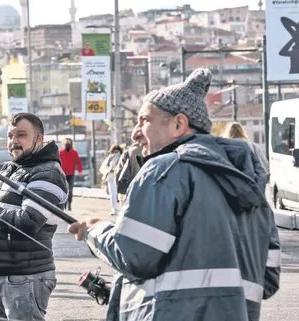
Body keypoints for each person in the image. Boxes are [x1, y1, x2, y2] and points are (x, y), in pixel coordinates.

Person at [68, 68, 280, 321]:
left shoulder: (165, 170)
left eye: (144, 120)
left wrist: (95, 230)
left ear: (179, 124)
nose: (135, 133)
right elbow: (268, 279)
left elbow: (133, 256)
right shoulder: (250, 186)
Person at [0, 112, 68, 321]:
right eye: (10, 136)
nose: (13, 142)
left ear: (39, 139)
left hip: (25, 279)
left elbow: (29, 221)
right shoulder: (12, 169)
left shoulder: (47, 173)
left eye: (21, 135)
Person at [59, 137, 83, 211]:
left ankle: (69, 204)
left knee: (70, 190)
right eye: (66, 143)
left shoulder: (74, 152)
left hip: (71, 174)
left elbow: (78, 162)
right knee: (64, 190)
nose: (67, 144)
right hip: (63, 174)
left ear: (71, 144)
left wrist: (80, 170)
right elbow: (57, 162)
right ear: (63, 144)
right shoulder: (60, 152)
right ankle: (64, 204)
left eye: (68, 143)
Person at [99, 145, 123, 215]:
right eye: (113, 150)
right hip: (110, 177)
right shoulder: (110, 157)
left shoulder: (121, 157)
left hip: (118, 177)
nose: (115, 152)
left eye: (116, 150)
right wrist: (109, 169)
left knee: (117, 194)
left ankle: (119, 208)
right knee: (112, 194)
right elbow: (103, 167)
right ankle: (113, 209)